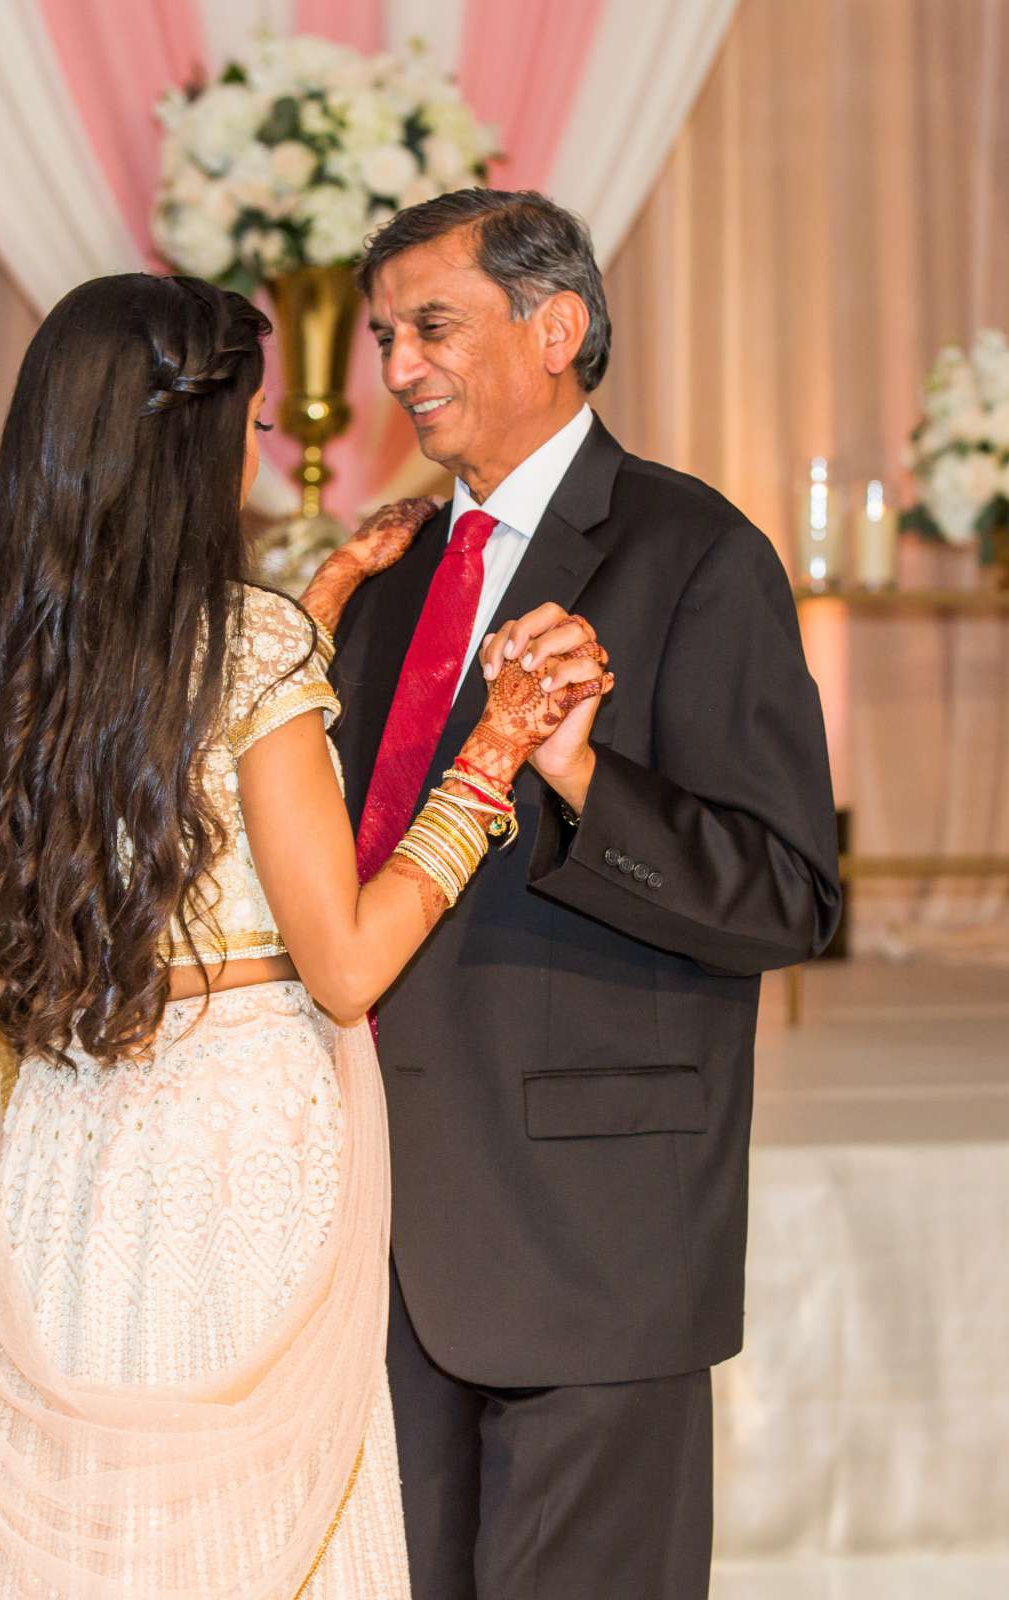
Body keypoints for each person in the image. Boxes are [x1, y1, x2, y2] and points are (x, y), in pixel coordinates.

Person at [0, 272, 609, 1599]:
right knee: (237, 1533)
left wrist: (322, 611)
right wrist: (491, 760)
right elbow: (344, 965)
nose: (265, 444)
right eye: (255, 418)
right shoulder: (252, 650)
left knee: (94, 1516)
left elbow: (165, 773)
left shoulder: (0, 655)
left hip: (66, 1137)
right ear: (198, 441)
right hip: (238, 1146)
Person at [336, 190, 842, 1598]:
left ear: (555, 326)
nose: (400, 367)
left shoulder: (694, 555)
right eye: (387, 336)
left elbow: (789, 895)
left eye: (431, 325)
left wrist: (580, 774)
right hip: (382, 1236)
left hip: (590, 1237)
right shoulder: (392, 579)